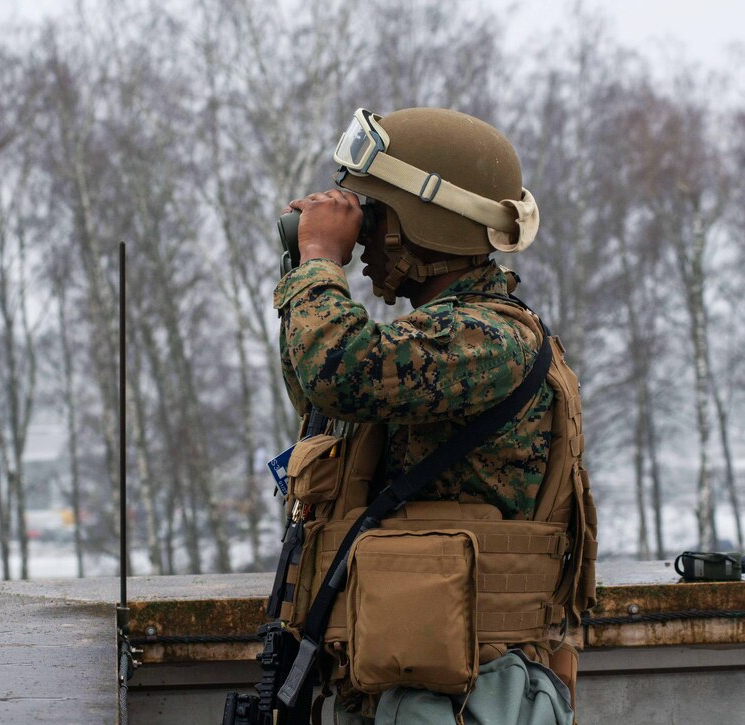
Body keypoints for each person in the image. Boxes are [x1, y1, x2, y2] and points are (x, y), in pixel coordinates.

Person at [272, 108, 596, 724]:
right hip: (412, 683)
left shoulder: (490, 341)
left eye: (375, 213)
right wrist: (302, 267)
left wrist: (319, 257)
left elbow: (336, 369)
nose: (363, 236)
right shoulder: (434, 341)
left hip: (463, 694)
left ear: (427, 223)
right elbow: (319, 396)